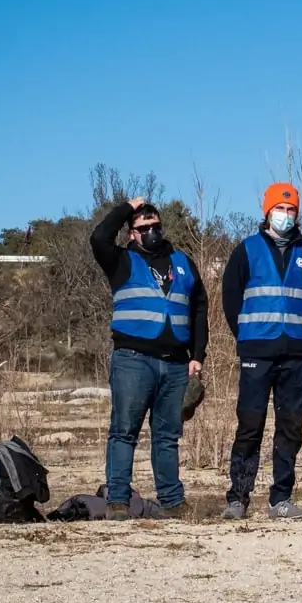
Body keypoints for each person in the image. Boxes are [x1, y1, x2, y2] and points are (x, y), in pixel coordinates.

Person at [89, 197, 208, 521]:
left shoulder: (182, 262)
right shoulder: (121, 260)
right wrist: (128, 208)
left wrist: (197, 356)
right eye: (143, 228)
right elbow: (99, 237)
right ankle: (117, 500)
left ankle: (172, 500)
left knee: (168, 435)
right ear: (131, 233)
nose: (151, 232)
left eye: (156, 226)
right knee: (124, 430)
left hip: (175, 362)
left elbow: (199, 308)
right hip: (133, 359)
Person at [219, 182, 302, 521]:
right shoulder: (245, 250)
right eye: (280, 209)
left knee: (291, 426)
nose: (286, 215)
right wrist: (246, 336)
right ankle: (238, 498)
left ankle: (281, 499)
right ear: (267, 211)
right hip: (256, 350)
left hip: (296, 352)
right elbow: (230, 299)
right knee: (250, 423)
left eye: (291, 210)